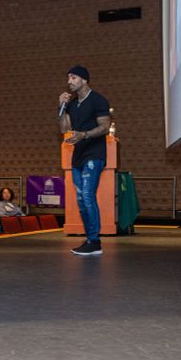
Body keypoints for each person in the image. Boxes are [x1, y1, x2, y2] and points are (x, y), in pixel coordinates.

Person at [58, 64, 111, 256]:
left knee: (88, 195)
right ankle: (91, 240)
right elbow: (64, 129)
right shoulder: (72, 103)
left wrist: (84, 135)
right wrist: (62, 107)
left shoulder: (98, 100)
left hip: (94, 154)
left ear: (84, 80)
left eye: (73, 78)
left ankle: (94, 241)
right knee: (81, 199)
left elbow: (105, 127)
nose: (69, 82)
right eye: (68, 78)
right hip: (78, 156)